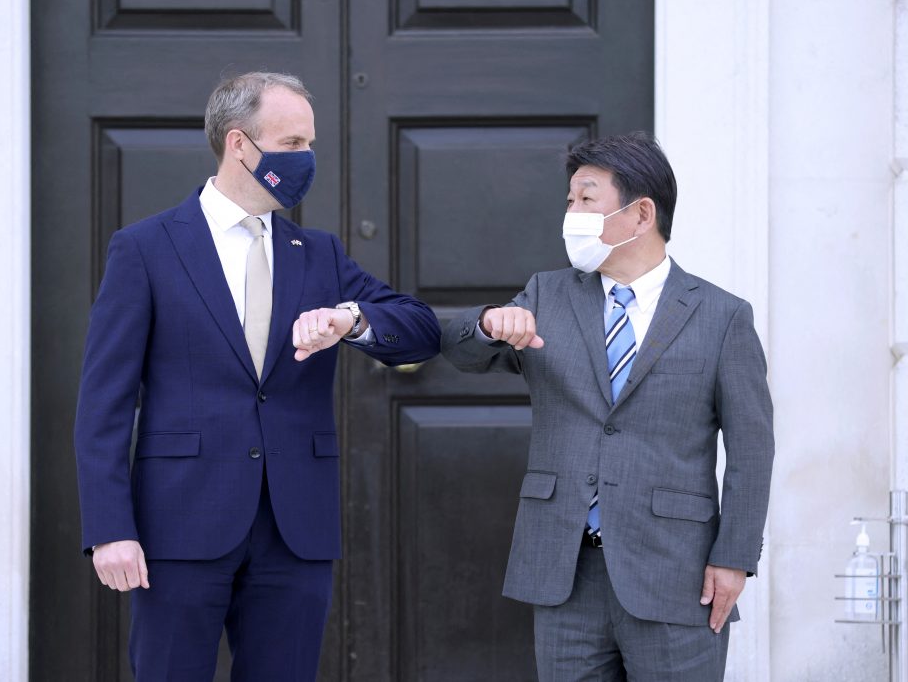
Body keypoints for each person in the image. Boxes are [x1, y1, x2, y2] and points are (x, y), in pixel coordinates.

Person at [74, 71, 441, 681]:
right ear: (240, 144)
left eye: (309, 143)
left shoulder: (317, 253)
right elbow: (103, 404)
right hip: (179, 526)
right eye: (293, 143)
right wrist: (110, 528)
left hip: (295, 531)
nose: (307, 159)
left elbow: (419, 328)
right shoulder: (145, 248)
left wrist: (351, 319)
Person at [441, 132, 774, 681]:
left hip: (677, 571)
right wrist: (487, 324)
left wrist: (734, 557)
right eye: (569, 200)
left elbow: (752, 449)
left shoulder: (721, 317)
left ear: (641, 214)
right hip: (565, 569)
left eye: (586, 199)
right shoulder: (546, 296)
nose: (571, 214)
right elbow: (462, 352)